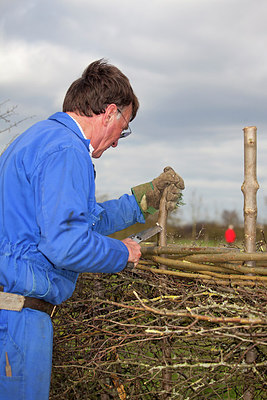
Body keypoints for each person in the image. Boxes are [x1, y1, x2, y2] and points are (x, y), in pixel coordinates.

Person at [0, 59, 184, 399]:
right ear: (109, 112)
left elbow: (84, 219)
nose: (116, 142)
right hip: (16, 320)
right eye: (123, 128)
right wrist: (122, 252)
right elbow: (66, 243)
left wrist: (140, 201)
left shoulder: (37, 140)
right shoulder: (67, 150)